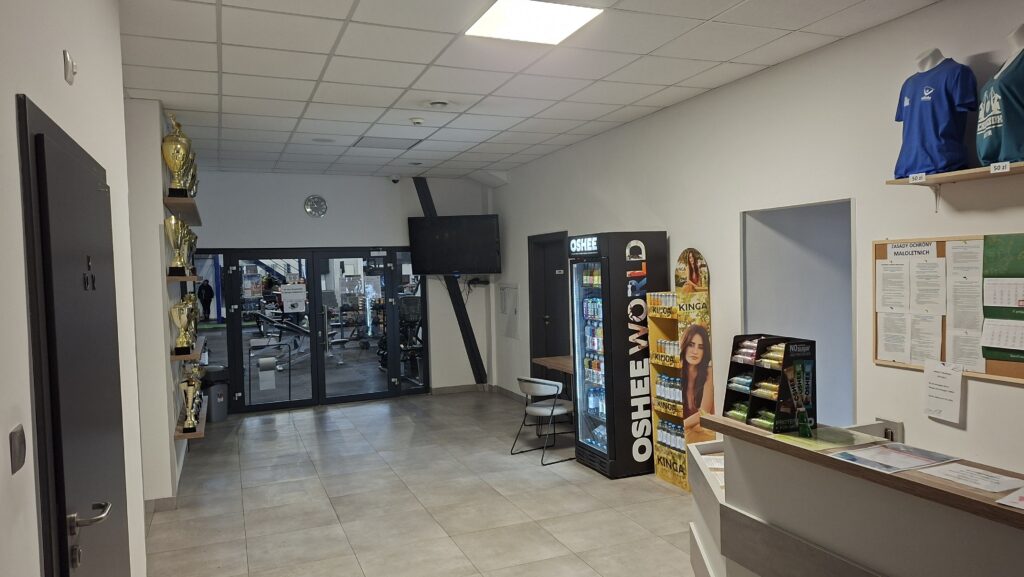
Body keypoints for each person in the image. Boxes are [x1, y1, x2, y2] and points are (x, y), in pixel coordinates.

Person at [680, 324, 714, 436]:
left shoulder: (709, 373)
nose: (695, 351)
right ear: (684, 345)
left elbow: (704, 412)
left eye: (700, 347)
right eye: (691, 345)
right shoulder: (676, 373)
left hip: (705, 433)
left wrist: (679, 427)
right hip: (684, 434)